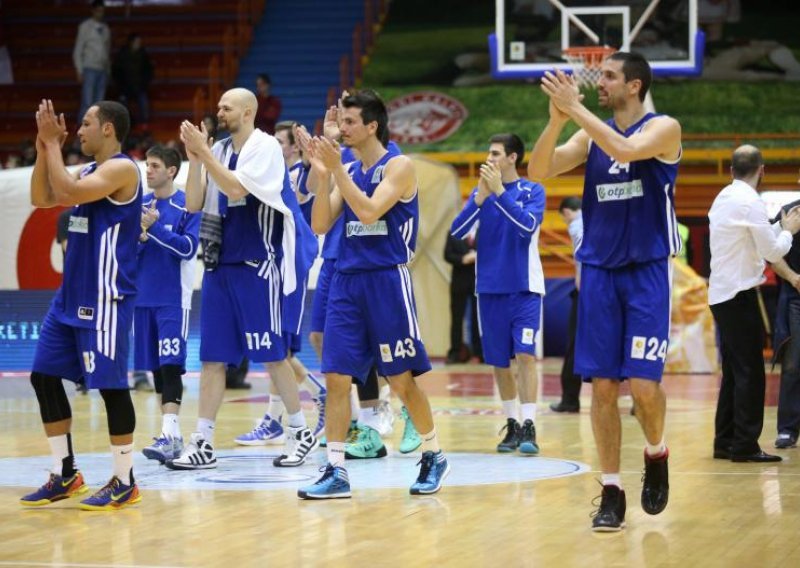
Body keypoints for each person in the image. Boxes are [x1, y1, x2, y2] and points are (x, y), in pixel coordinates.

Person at [529, 52, 679, 531]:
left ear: (634, 86)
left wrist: (576, 110)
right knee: (602, 389)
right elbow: (538, 171)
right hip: (598, 271)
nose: (601, 83)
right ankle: (611, 489)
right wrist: (555, 121)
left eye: (610, 76)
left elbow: (625, 151)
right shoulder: (588, 134)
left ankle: (656, 452)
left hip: (646, 272)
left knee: (644, 387)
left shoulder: (664, 129)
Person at [298, 90, 448, 499]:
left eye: (349, 123)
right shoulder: (346, 167)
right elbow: (320, 224)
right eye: (340, 122)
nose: (341, 129)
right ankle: (336, 470)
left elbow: (368, 211)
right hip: (347, 280)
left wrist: (338, 170)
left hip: (386, 280)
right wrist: (323, 171)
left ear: (371, 126)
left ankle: (433, 453)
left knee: (401, 381)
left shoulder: (398, 166)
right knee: (336, 377)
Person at [168, 88, 318, 470]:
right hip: (221, 265)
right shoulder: (217, 150)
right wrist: (196, 159)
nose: (219, 111)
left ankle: (299, 430)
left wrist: (204, 153)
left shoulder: (264, 147)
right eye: (218, 106)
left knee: (272, 354)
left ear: (248, 111)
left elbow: (236, 188)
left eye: (226, 107)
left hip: (258, 263)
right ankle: (202, 440)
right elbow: (193, 203)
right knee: (213, 358)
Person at [22, 99, 142, 510]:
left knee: (110, 387)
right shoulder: (90, 170)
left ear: (108, 129)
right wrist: (43, 147)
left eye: (87, 123)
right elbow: (42, 197)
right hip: (69, 298)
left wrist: (55, 146)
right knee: (43, 377)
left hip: (105, 298)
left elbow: (69, 191)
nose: (79, 130)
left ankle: (125, 480)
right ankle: (66, 474)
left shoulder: (124, 169)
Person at [233, 119, 326, 447]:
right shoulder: (268, 171)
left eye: (281, 141)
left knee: (278, 344)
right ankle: (278, 417)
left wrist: (311, 158)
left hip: (293, 256)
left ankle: (312, 398)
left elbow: (310, 188)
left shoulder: (297, 173)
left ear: (294, 147)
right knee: (275, 344)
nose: (273, 145)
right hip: (273, 258)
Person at [451, 133, 545, 456]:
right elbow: (456, 233)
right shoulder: (483, 196)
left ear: (512, 158)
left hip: (524, 288)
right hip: (489, 290)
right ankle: (512, 423)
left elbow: (527, 226)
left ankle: (530, 422)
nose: (488, 159)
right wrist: (478, 199)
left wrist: (501, 193)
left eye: (495, 154)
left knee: (526, 355)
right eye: (488, 153)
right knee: (499, 363)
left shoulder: (533, 191)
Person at [708, 145, 800, 463]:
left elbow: (753, 239)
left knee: (735, 370)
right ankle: (745, 445)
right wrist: (788, 231)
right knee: (750, 372)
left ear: (732, 170)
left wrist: (778, 228)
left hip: (722, 293)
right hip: (738, 294)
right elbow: (773, 251)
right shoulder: (751, 202)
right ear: (762, 170)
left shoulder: (726, 196)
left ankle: (725, 440)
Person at [135, 144, 200, 463]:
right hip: (141, 299)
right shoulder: (140, 205)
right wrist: (140, 237)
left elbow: (188, 249)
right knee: (156, 368)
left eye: (155, 165)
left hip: (173, 298)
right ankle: (170, 435)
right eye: (147, 164)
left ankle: (171, 433)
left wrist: (154, 228)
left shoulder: (187, 205)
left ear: (172, 171)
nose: (148, 170)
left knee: (171, 364)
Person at [771, 175, 800, 450]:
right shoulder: (789, 212)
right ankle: (787, 430)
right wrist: (793, 278)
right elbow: (771, 253)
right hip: (796, 299)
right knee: (793, 365)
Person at [550, 196, 583, 413]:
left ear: (567, 212)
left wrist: (580, 281)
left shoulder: (576, 225)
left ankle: (570, 399)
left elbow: (581, 256)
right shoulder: (599, 218)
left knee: (573, 346)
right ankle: (637, 402)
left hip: (588, 292)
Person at [443, 231, 481, 364]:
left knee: (478, 319)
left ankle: (479, 353)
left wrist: (477, 256)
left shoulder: (483, 229)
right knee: (457, 318)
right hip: (459, 281)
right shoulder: (454, 231)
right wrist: (463, 259)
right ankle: (455, 352)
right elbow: (447, 255)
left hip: (478, 281)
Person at [73, 0, 111, 124]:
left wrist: (108, 70)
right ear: (93, 10)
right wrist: (79, 70)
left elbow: (107, 51)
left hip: (102, 69)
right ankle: (81, 134)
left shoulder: (106, 29)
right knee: (87, 102)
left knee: (99, 105)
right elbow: (78, 50)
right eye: (98, 11)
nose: (100, 13)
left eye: (102, 11)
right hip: (89, 68)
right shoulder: (85, 26)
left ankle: (95, 133)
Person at [112, 33, 154, 127]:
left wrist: (144, 84)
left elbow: (148, 71)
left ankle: (144, 124)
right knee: (122, 103)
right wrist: (121, 87)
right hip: (125, 88)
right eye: (136, 42)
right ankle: (125, 124)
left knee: (144, 102)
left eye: (139, 42)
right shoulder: (122, 54)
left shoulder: (143, 55)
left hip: (139, 87)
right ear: (131, 42)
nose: (138, 44)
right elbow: (116, 72)